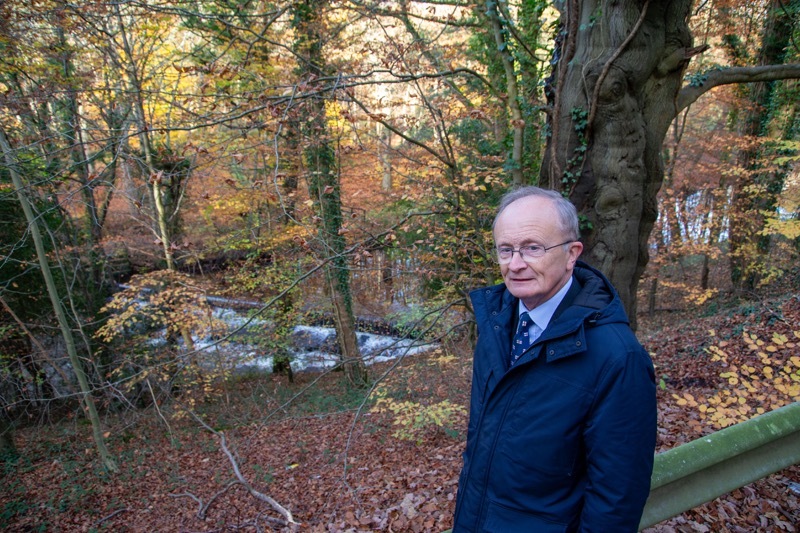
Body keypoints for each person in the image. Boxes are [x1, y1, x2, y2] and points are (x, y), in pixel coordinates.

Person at [453, 186, 657, 532]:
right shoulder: (496, 324)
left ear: (571, 253)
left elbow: (616, 499)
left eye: (533, 248)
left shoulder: (617, 357)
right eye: (506, 250)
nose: (515, 265)